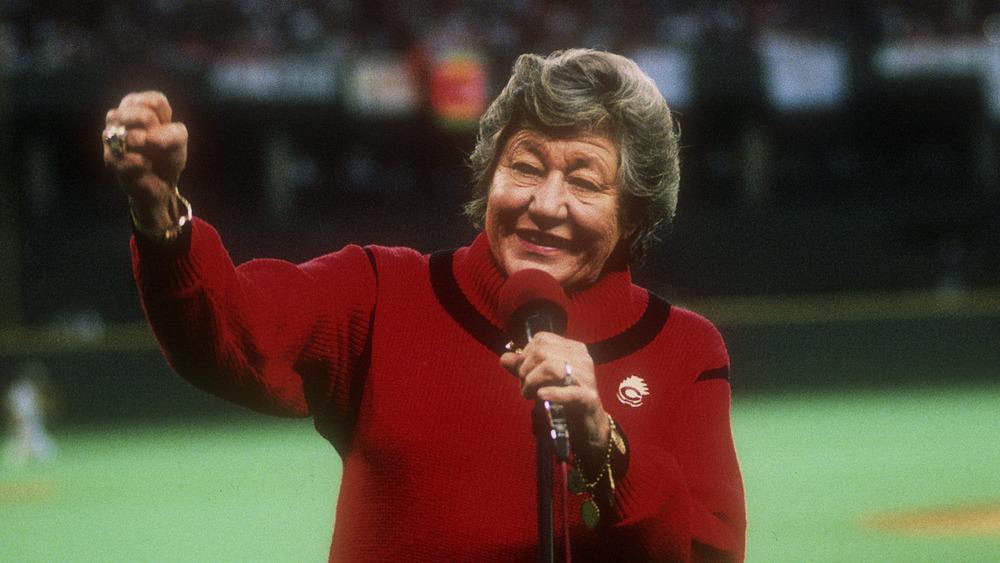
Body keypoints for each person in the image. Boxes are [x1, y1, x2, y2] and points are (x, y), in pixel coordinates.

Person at [102, 49, 745, 561]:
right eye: (524, 167)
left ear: (633, 215)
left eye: (583, 180)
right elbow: (231, 330)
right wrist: (161, 219)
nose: (546, 205)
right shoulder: (381, 293)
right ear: (489, 175)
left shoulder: (684, 347)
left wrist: (605, 443)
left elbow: (710, 551)